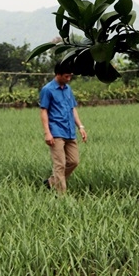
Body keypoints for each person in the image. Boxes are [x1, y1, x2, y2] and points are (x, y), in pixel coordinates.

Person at [39, 62, 87, 193]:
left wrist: (80, 126)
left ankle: (50, 182)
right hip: (56, 132)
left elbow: (72, 109)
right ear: (58, 74)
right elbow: (43, 111)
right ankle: (61, 197)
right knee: (60, 165)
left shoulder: (68, 89)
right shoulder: (47, 90)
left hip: (70, 131)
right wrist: (47, 133)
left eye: (70, 76)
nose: (69, 79)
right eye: (66, 76)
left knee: (74, 161)